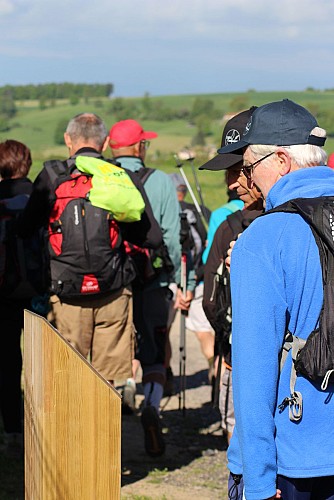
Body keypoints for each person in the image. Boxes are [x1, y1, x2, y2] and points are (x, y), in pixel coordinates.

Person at [218, 99, 334, 499]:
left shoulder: (262, 239)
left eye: (250, 167)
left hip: (301, 456)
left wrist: (258, 482)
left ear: (282, 160)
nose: (247, 180)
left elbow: (253, 377)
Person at [18, 113, 162, 387]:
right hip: (113, 290)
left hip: (66, 292)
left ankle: (69, 429)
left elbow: (25, 229)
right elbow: (152, 238)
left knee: (67, 378)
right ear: (105, 142)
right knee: (107, 381)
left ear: (67, 140)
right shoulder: (120, 176)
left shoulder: (51, 176)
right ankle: (105, 429)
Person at [108, 119, 194, 457]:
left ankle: (116, 399)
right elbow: (171, 235)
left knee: (115, 347)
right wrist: (170, 273)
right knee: (155, 349)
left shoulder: (100, 176)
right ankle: (153, 407)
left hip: (111, 282)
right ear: (139, 148)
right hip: (153, 281)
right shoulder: (158, 181)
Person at [200, 107, 263, 444]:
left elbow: (211, 299)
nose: (231, 182)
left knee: (236, 432)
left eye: (239, 170)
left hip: (235, 354)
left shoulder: (228, 227)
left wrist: (225, 339)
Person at [0, 140, 46, 458]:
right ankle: (42, 431)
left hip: (3, 292)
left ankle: (13, 433)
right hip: (40, 289)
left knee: (6, 362)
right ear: (27, 162)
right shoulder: (42, 195)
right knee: (42, 361)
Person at [166, 173, 214, 394]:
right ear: (184, 190)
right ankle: (215, 371)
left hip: (170, 280)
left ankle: (164, 376)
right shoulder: (202, 212)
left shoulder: (165, 213)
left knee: (163, 332)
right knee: (204, 331)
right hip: (199, 278)